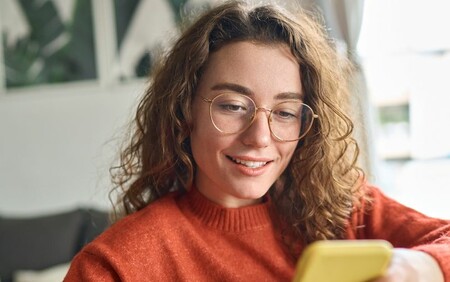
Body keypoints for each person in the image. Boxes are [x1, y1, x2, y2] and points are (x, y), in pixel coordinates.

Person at [64, 1, 450, 281]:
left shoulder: (345, 210)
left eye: (285, 113)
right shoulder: (114, 266)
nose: (260, 138)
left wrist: (419, 266)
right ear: (184, 113)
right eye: (232, 106)